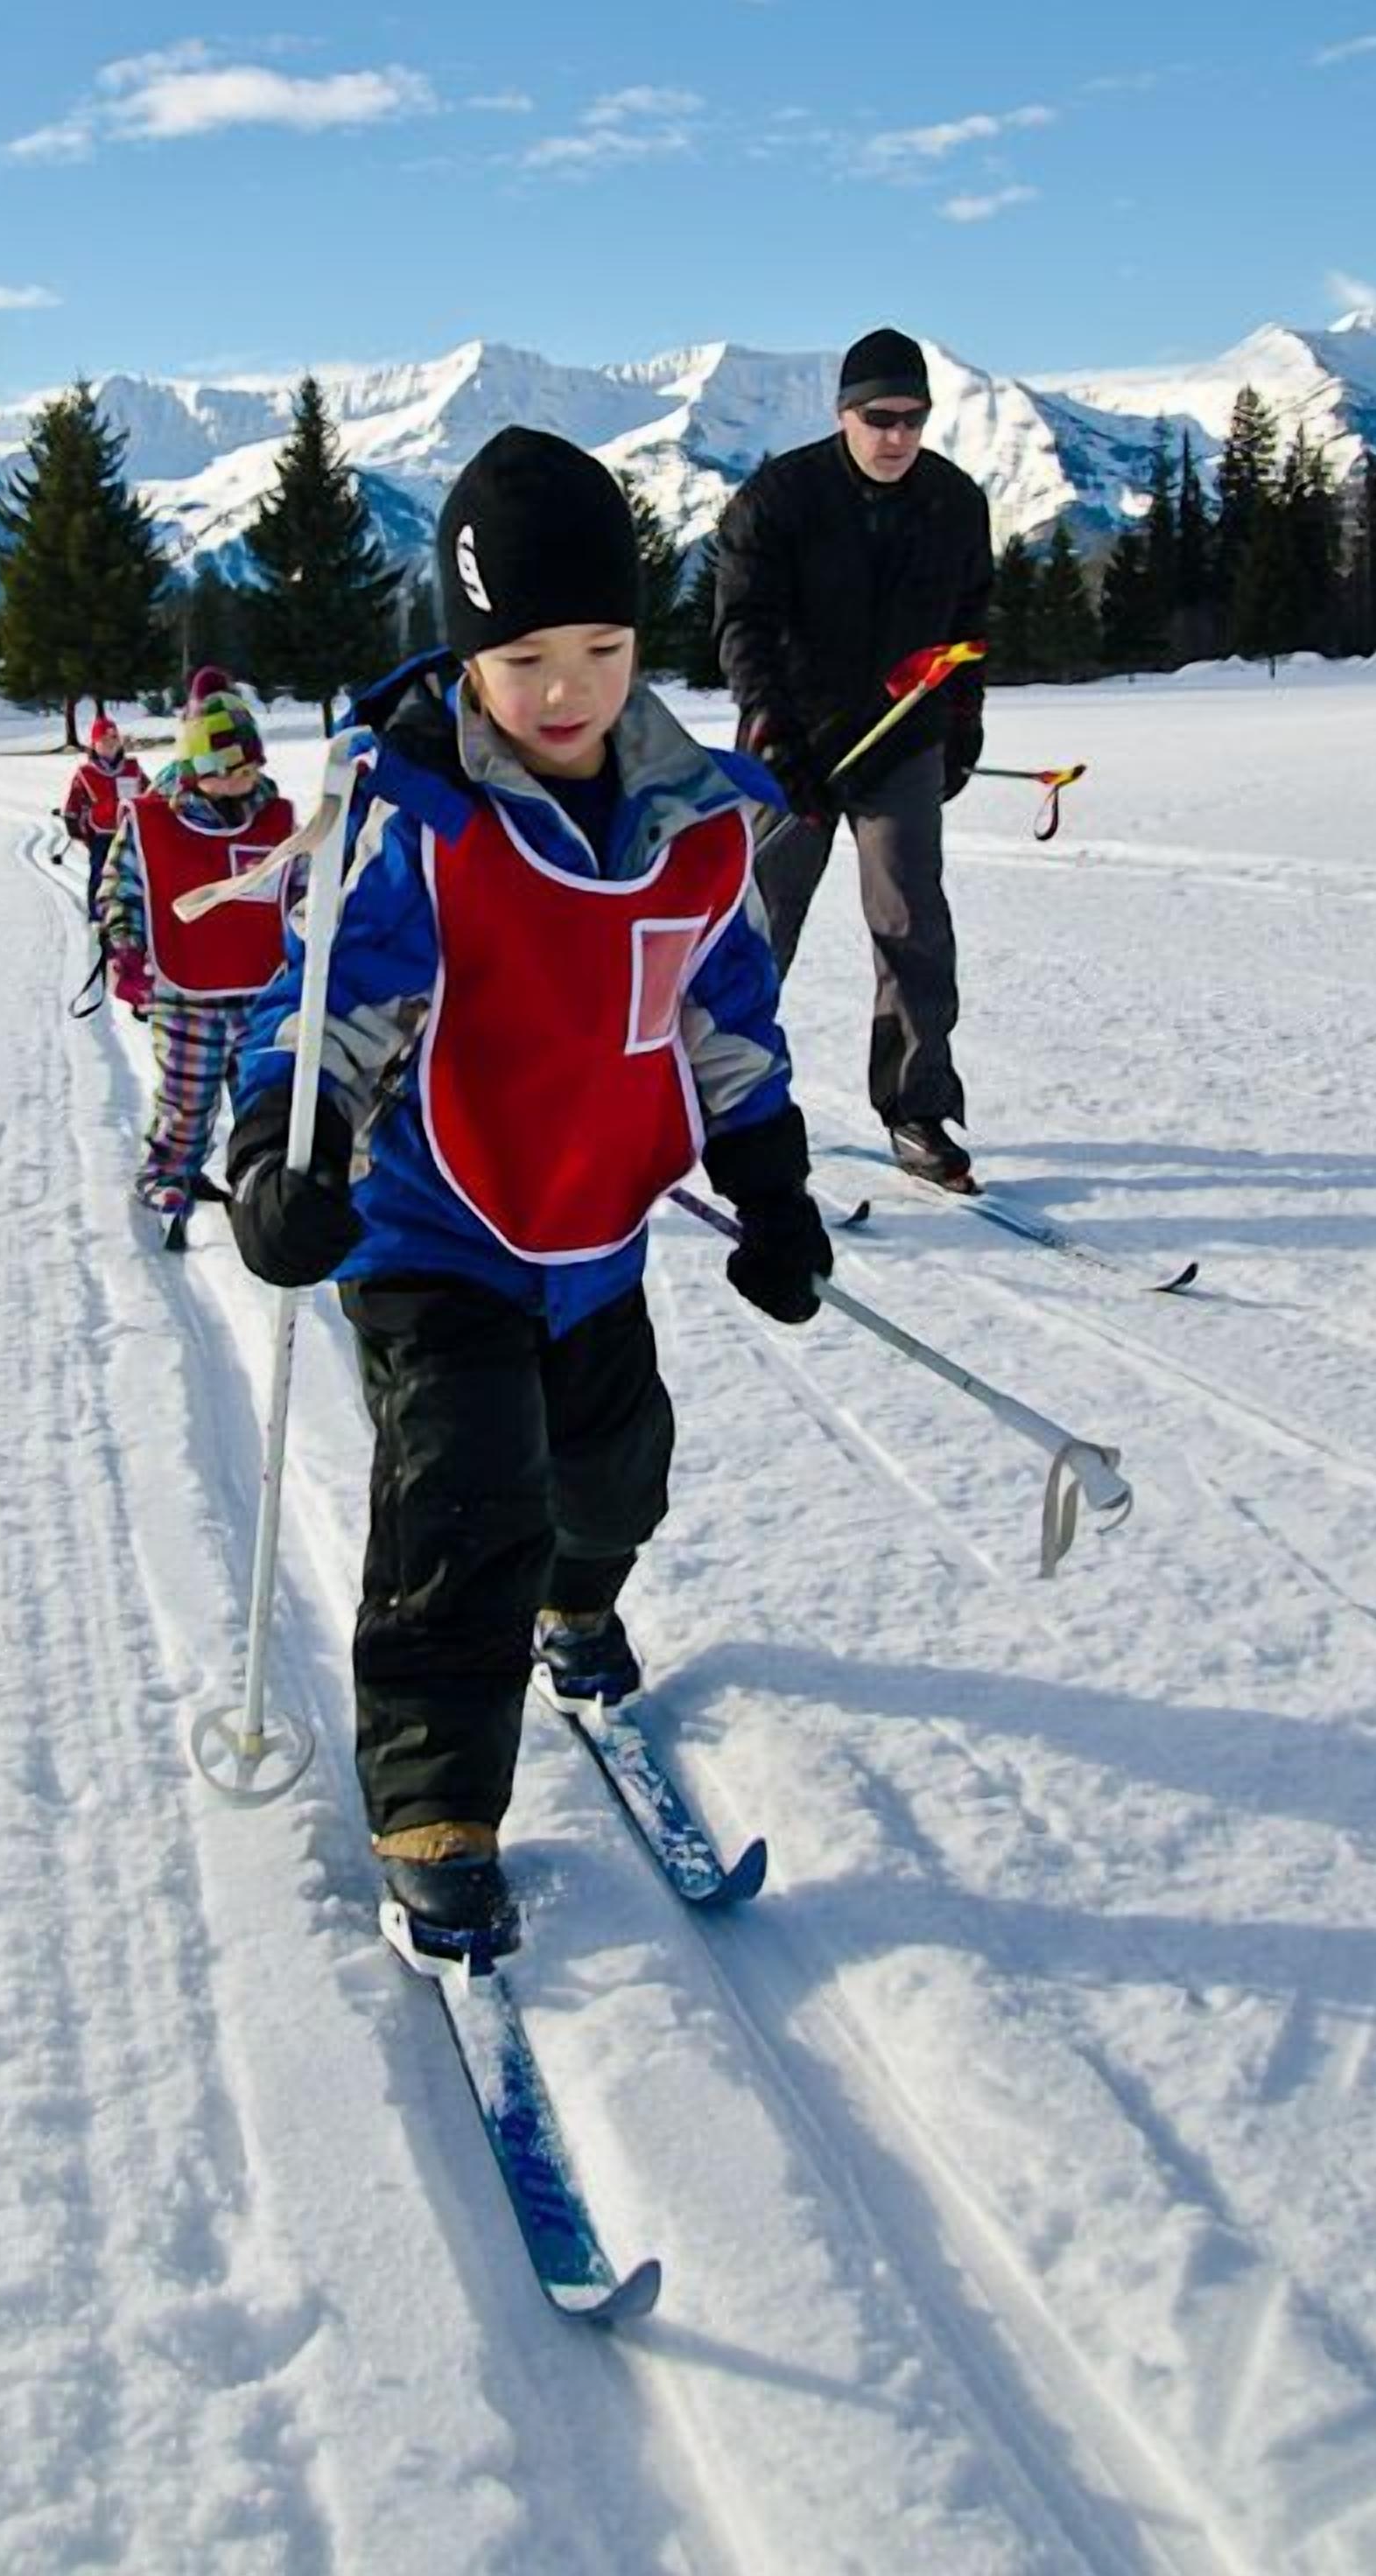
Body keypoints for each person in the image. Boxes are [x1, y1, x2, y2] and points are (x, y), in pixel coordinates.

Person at [225, 426, 830, 1968]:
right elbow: (325, 1010)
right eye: (523, 660)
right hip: (431, 1226)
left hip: (593, 1231)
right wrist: (279, 1154)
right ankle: (435, 1804)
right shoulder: (419, 823)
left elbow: (724, 1016)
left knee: (613, 1479)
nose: (566, 691)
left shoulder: (694, 824)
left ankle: (578, 1603)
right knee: (464, 1499)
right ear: (467, 657)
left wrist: (769, 1182)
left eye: (602, 651)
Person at [712, 326, 993, 1191]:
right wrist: (770, 727)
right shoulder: (780, 497)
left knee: (912, 918)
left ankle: (916, 1107)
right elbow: (741, 624)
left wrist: (961, 717)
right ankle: (716, 1091)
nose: (896, 435)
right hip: (791, 741)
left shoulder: (954, 502)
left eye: (912, 418)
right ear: (843, 414)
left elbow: (969, 623)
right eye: (879, 418)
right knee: (756, 922)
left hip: (902, 737)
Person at [99, 695, 295, 1231]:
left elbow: (300, 891)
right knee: (188, 1097)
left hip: (263, 993)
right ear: (195, 771)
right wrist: (125, 946)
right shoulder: (151, 823)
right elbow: (121, 890)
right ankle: (169, 1171)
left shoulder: (277, 821)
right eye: (227, 772)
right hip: (185, 996)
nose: (242, 782)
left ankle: (264, 1179)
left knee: (266, 1097)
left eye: (249, 770)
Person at [59, 710, 144, 917]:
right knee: (100, 872)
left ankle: (131, 910)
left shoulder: (132, 768)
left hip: (129, 830)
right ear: (94, 745)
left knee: (132, 872)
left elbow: (147, 792)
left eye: (114, 739)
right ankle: (97, 913)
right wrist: (72, 821)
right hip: (101, 833)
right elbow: (75, 801)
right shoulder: (86, 773)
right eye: (104, 741)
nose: (110, 745)